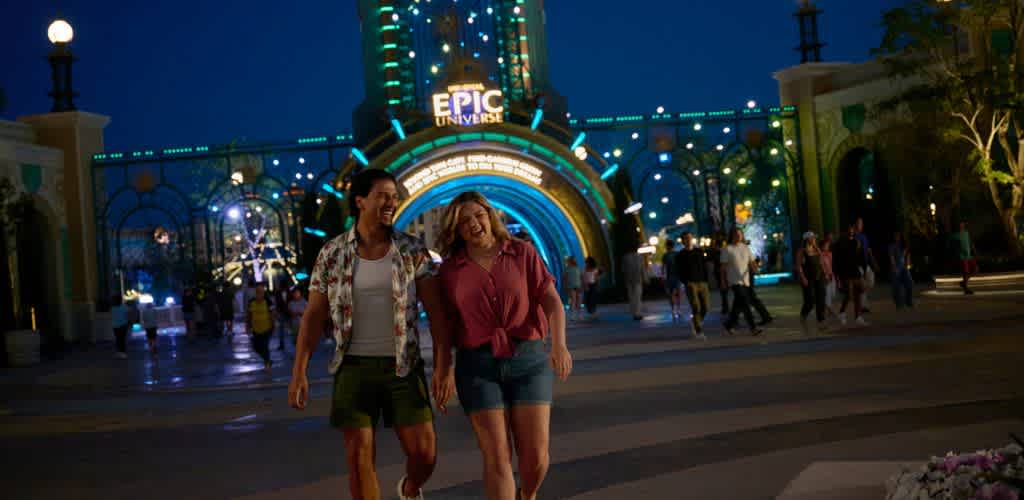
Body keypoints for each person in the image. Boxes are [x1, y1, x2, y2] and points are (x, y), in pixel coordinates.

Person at [289, 169, 447, 500]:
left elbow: (437, 313)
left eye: (394, 195)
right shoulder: (332, 253)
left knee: (424, 453)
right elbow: (314, 315)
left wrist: (445, 367)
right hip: (353, 366)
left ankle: (410, 487)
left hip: (404, 366)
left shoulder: (411, 249)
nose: (392, 202)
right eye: (383, 195)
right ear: (360, 201)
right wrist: (299, 371)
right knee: (359, 456)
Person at [436, 191, 572, 500]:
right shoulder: (449, 271)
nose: (473, 224)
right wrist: (443, 370)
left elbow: (551, 300)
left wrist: (559, 345)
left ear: (491, 216)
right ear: (456, 231)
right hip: (477, 366)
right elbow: (444, 328)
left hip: (529, 359)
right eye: (464, 222)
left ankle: (528, 494)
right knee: (497, 457)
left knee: (535, 457)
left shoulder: (522, 252)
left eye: (478, 216)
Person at [720, 228, 763, 336]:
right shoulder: (727, 249)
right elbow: (723, 268)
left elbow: (752, 261)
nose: (738, 236)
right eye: (736, 234)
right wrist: (723, 281)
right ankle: (753, 328)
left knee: (737, 305)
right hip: (734, 281)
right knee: (745, 303)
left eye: (740, 234)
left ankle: (729, 324)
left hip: (746, 280)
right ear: (732, 236)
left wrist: (756, 270)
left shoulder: (745, 247)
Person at [675, 232, 709, 339]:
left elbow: (704, 266)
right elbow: (679, 271)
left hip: (702, 282)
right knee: (696, 306)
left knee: (706, 307)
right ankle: (698, 331)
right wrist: (685, 281)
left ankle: (695, 321)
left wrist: (706, 280)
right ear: (682, 241)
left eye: (690, 238)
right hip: (691, 283)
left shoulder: (699, 251)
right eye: (686, 238)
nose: (688, 240)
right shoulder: (680, 255)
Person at [835, 223, 868, 326]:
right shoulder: (840, 242)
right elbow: (837, 260)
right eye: (849, 229)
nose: (851, 231)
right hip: (845, 271)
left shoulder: (856, 242)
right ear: (845, 231)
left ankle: (858, 316)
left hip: (855, 269)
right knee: (849, 295)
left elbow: (860, 255)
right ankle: (842, 312)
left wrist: (863, 268)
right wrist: (838, 276)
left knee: (860, 290)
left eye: (852, 229)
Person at [794, 231, 827, 334]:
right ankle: (803, 315)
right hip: (808, 278)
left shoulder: (816, 249)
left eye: (814, 237)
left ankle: (821, 320)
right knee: (810, 301)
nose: (814, 239)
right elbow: (798, 266)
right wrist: (803, 277)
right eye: (812, 238)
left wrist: (825, 273)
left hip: (819, 276)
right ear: (807, 239)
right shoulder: (802, 251)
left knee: (821, 298)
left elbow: (821, 262)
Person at [247, 282, 275, 371]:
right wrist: (247, 325)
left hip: (267, 328)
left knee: (265, 346)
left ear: (263, 292)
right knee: (256, 347)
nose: (259, 294)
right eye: (258, 292)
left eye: (261, 292)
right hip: (255, 328)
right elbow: (249, 314)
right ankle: (267, 360)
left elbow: (272, 314)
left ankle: (267, 364)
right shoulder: (251, 302)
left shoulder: (268, 301)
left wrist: (273, 325)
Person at [855, 217, 879, 312]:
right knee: (863, 284)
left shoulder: (864, 237)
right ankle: (862, 306)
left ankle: (861, 303)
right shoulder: (853, 236)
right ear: (855, 224)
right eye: (858, 223)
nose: (860, 225)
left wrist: (874, 262)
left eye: (861, 223)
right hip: (857, 265)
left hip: (865, 264)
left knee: (870, 281)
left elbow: (868, 250)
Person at [889, 231, 914, 308]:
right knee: (897, 286)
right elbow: (891, 257)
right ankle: (899, 303)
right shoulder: (892, 246)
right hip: (897, 267)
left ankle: (908, 301)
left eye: (898, 236)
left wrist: (908, 266)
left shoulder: (903, 245)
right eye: (896, 236)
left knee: (909, 283)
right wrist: (894, 267)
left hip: (904, 267)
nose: (897, 237)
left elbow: (907, 255)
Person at [622, 242, 646, 321]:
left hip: (629, 280)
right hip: (637, 279)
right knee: (637, 297)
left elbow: (623, 270)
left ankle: (634, 312)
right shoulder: (640, 257)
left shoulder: (625, 257)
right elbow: (642, 269)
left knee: (631, 297)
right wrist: (645, 278)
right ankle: (637, 313)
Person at [953, 221, 977, 295]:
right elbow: (954, 246)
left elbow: (970, 242)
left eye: (963, 224)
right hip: (962, 257)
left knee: (975, 269)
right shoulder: (955, 235)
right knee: (965, 272)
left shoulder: (966, 233)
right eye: (960, 225)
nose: (962, 226)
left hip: (969, 256)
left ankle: (963, 283)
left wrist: (974, 249)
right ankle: (966, 289)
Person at [662, 240, 683, 321]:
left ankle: (674, 309)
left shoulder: (666, 255)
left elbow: (663, 267)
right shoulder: (675, 254)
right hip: (675, 276)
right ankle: (677, 309)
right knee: (677, 293)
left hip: (671, 276)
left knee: (672, 294)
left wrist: (663, 275)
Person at [709, 235, 729, 316]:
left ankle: (725, 307)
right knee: (723, 291)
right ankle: (725, 307)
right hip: (721, 272)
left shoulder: (717, 252)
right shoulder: (721, 252)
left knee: (723, 291)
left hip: (720, 272)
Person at [820, 233, 839, 319]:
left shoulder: (830, 254)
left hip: (831, 275)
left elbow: (832, 265)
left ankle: (828, 310)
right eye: (825, 246)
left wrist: (833, 275)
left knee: (832, 293)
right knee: (827, 294)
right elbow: (822, 266)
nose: (827, 247)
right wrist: (825, 275)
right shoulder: (820, 255)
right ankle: (828, 311)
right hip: (825, 276)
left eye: (828, 246)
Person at [563, 256, 583, 321]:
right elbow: (564, 278)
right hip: (570, 286)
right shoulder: (567, 269)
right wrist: (565, 286)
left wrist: (582, 285)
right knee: (573, 300)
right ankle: (572, 315)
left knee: (579, 301)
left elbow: (581, 277)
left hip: (578, 286)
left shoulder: (578, 268)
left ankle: (579, 315)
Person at [111, 294, 129, 359]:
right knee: (122, 339)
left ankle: (119, 352)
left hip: (115, 326)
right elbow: (128, 314)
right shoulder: (124, 307)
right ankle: (123, 352)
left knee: (118, 339)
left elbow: (112, 316)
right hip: (123, 325)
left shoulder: (113, 308)